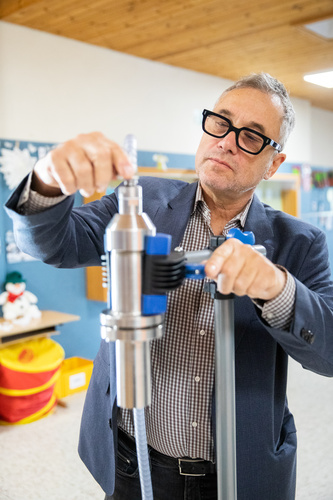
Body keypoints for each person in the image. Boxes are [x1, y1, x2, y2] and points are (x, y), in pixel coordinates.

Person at [5, 73, 333, 500]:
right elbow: (54, 244)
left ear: (274, 163)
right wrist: (48, 179)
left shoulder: (300, 242)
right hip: (131, 459)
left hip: (235, 474)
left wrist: (275, 286)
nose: (228, 141)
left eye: (252, 136)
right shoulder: (140, 199)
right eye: (221, 122)